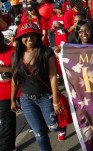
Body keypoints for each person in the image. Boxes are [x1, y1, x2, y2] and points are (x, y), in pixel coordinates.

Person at [11, 23, 66, 151]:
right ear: (20, 38)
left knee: (54, 127)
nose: (29, 39)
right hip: (26, 101)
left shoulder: (46, 52)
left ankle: (61, 127)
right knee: (39, 134)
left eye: (32, 35)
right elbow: (16, 80)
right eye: (25, 36)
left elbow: (53, 77)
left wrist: (56, 101)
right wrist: (12, 99)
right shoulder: (16, 55)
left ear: (38, 36)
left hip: (46, 98)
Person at [0, 31, 19, 151]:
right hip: (3, 94)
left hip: (14, 91)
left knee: (6, 122)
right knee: (5, 123)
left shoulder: (13, 51)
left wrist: (4, 68)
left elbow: (23, 70)